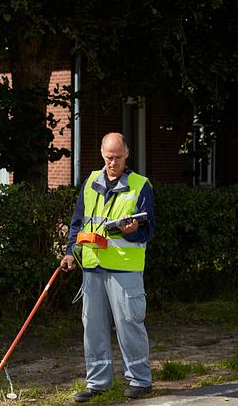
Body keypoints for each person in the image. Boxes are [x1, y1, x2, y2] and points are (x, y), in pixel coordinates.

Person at [60, 132, 156, 402]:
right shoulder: (91, 181)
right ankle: (98, 383)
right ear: (102, 154)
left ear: (127, 155)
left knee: (129, 324)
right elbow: (78, 223)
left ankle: (140, 381)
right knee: (93, 327)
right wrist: (70, 253)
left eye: (118, 157)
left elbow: (148, 231)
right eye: (109, 157)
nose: (113, 162)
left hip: (125, 270)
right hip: (92, 267)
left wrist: (131, 232)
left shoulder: (140, 185)